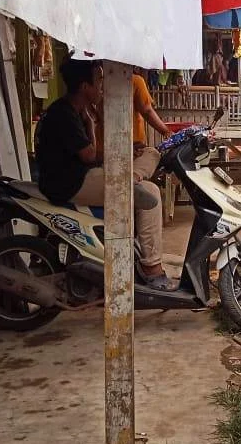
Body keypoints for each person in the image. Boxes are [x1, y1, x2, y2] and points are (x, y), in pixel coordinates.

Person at [36, 60, 169, 289]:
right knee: (151, 194)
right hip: (73, 184)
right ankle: (152, 266)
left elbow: (91, 151)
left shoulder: (75, 110)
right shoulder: (64, 114)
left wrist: (90, 121)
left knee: (151, 152)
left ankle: (131, 179)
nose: (102, 86)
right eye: (98, 80)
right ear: (85, 86)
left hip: (82, 177)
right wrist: (121, 152)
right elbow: (89, 155)